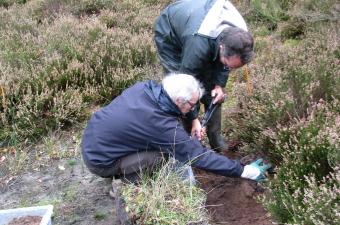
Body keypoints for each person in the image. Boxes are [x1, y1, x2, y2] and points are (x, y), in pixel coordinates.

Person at [81, 73, 270, 184]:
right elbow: (198, 156)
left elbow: (173, 114)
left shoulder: (145, 89)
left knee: (162, 145)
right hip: (101, 161)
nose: (193, 109)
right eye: (192, 105)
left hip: (93, 141)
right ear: (179, 100)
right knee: (161, 155)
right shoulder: (160, 125)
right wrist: (243, 171)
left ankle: (123, 165)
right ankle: (128, 182)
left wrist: (193, 120)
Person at [154, 0, 254, 151]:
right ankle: (186, 139)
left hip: (200, 26)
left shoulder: (242, 38)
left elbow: (225, 65)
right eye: (227, 64)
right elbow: (185, 83)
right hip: (171, 32)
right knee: (179, 87)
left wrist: (219, 85)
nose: (228, 68)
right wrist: (194, 119)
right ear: (221, 47)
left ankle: (216, 142)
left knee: (213, 92)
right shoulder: (199, 42)